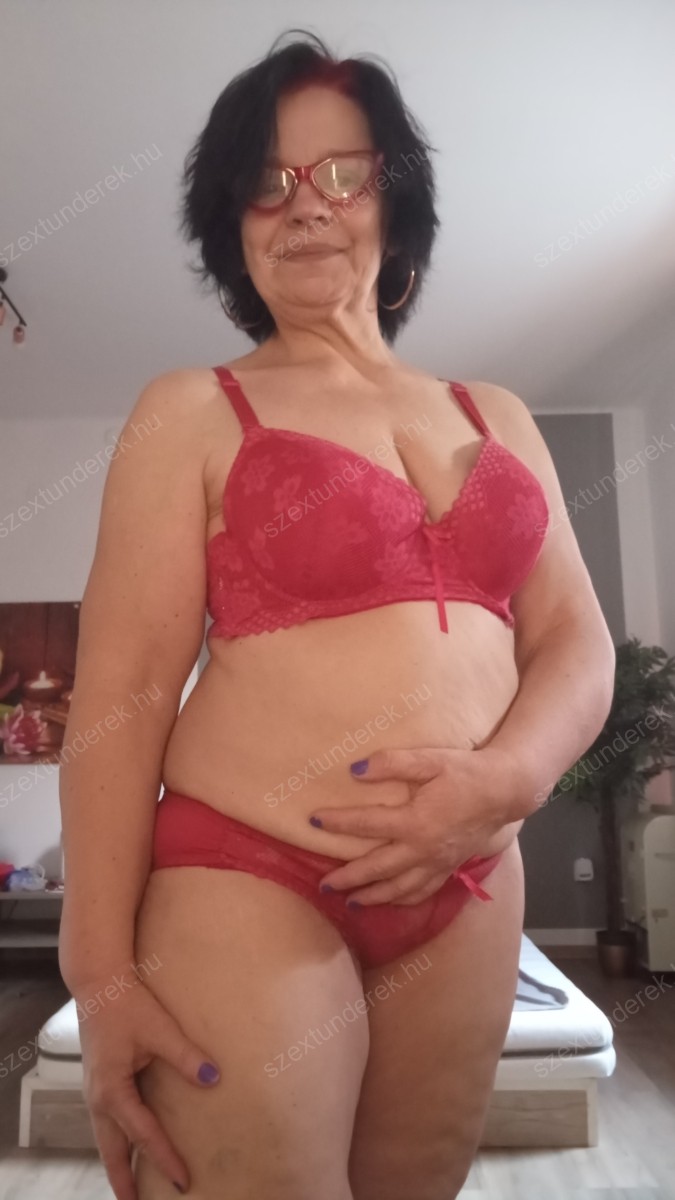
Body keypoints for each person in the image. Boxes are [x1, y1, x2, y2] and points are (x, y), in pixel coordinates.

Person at [58, 29, 616, 1200]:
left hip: (470, 880)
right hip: (246, 876)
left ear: (393, 199)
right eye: (267, 181)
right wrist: (98, 974)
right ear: (232, 222)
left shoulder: (499, 414)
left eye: (342, 172)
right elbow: (124, 698)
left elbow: (575, 642)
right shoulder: (191, 410)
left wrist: (507, 781)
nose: (305, 203)